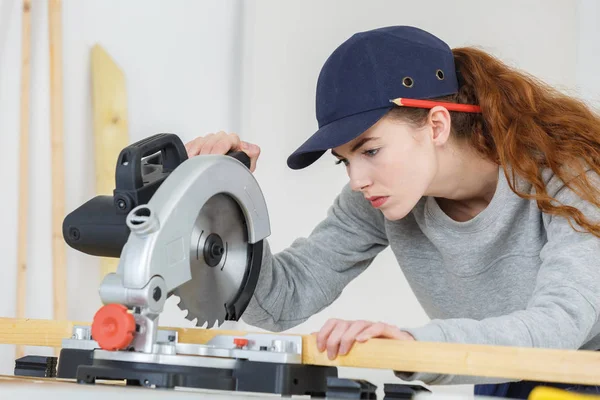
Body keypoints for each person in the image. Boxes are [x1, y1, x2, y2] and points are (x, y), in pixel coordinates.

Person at [184, 26, 600, 398]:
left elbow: (561, 322)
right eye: (343, 159)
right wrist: (217, 202)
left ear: (437, 125)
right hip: (502, 368)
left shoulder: (569, 174)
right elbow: (283, 301)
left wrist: (414, 344)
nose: (356, 179)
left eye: (370, 150)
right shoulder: (376, 198)